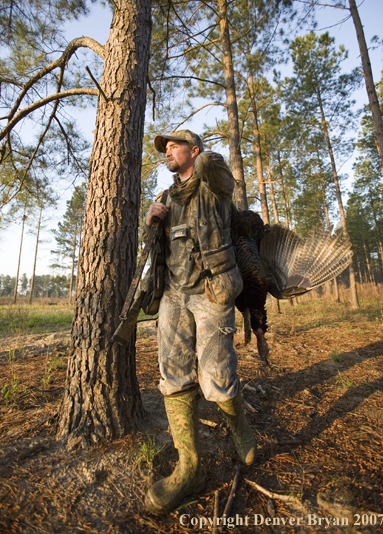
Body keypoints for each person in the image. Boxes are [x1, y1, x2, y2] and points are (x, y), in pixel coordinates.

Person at [143, 129, 257, 515]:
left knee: (217, 378)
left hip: (212, 294)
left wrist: (205, 157)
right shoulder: (165, 197)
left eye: (173, 146)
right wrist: (151, 218)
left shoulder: (214, 186)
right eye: (164, 149)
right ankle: (188, 466)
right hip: (174, 296)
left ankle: (239, 426)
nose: (166, 153)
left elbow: (218, 171)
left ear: (193, 151)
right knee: (173, 376)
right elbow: (158, 246)